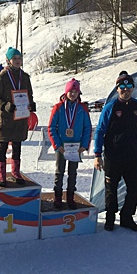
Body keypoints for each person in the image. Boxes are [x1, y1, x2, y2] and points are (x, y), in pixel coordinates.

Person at [94, 71, 137, 232]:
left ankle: (127, 217)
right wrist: (97, 155)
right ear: (117, 88)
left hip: (132, 156)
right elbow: (100, 131)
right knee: (111, 190)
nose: (125, 89)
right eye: (122, 86)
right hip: (113, 156)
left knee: (135, 188)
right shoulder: (110, 107)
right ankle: (110, 218)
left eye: (128, 86)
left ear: (133, 88)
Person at [0, 47, 36, 187]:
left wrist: (31, 105)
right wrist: (5, 105)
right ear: (8, 60)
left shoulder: (25, 77)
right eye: (14, 59)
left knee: (17, 147)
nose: (17, 61)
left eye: (19, 58)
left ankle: (15, 172)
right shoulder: (2, 77)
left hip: (20, 119)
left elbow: (30, 95)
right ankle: (1, 174)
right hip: (6, 119)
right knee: (2, 147)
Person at [48, 78, 92, 209]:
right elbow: (51, 128)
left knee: (73, 173)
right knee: (59, 172)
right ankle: (57, 197)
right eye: (70, 91)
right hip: (61, 147)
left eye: (75, 91)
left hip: (76, 148)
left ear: (79, 93)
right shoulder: (59, 107)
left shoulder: (82, 108)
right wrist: (57, 145)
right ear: (66, 92)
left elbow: (87, 128)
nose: (72, 94)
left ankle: (70, 197)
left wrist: (84, 145)